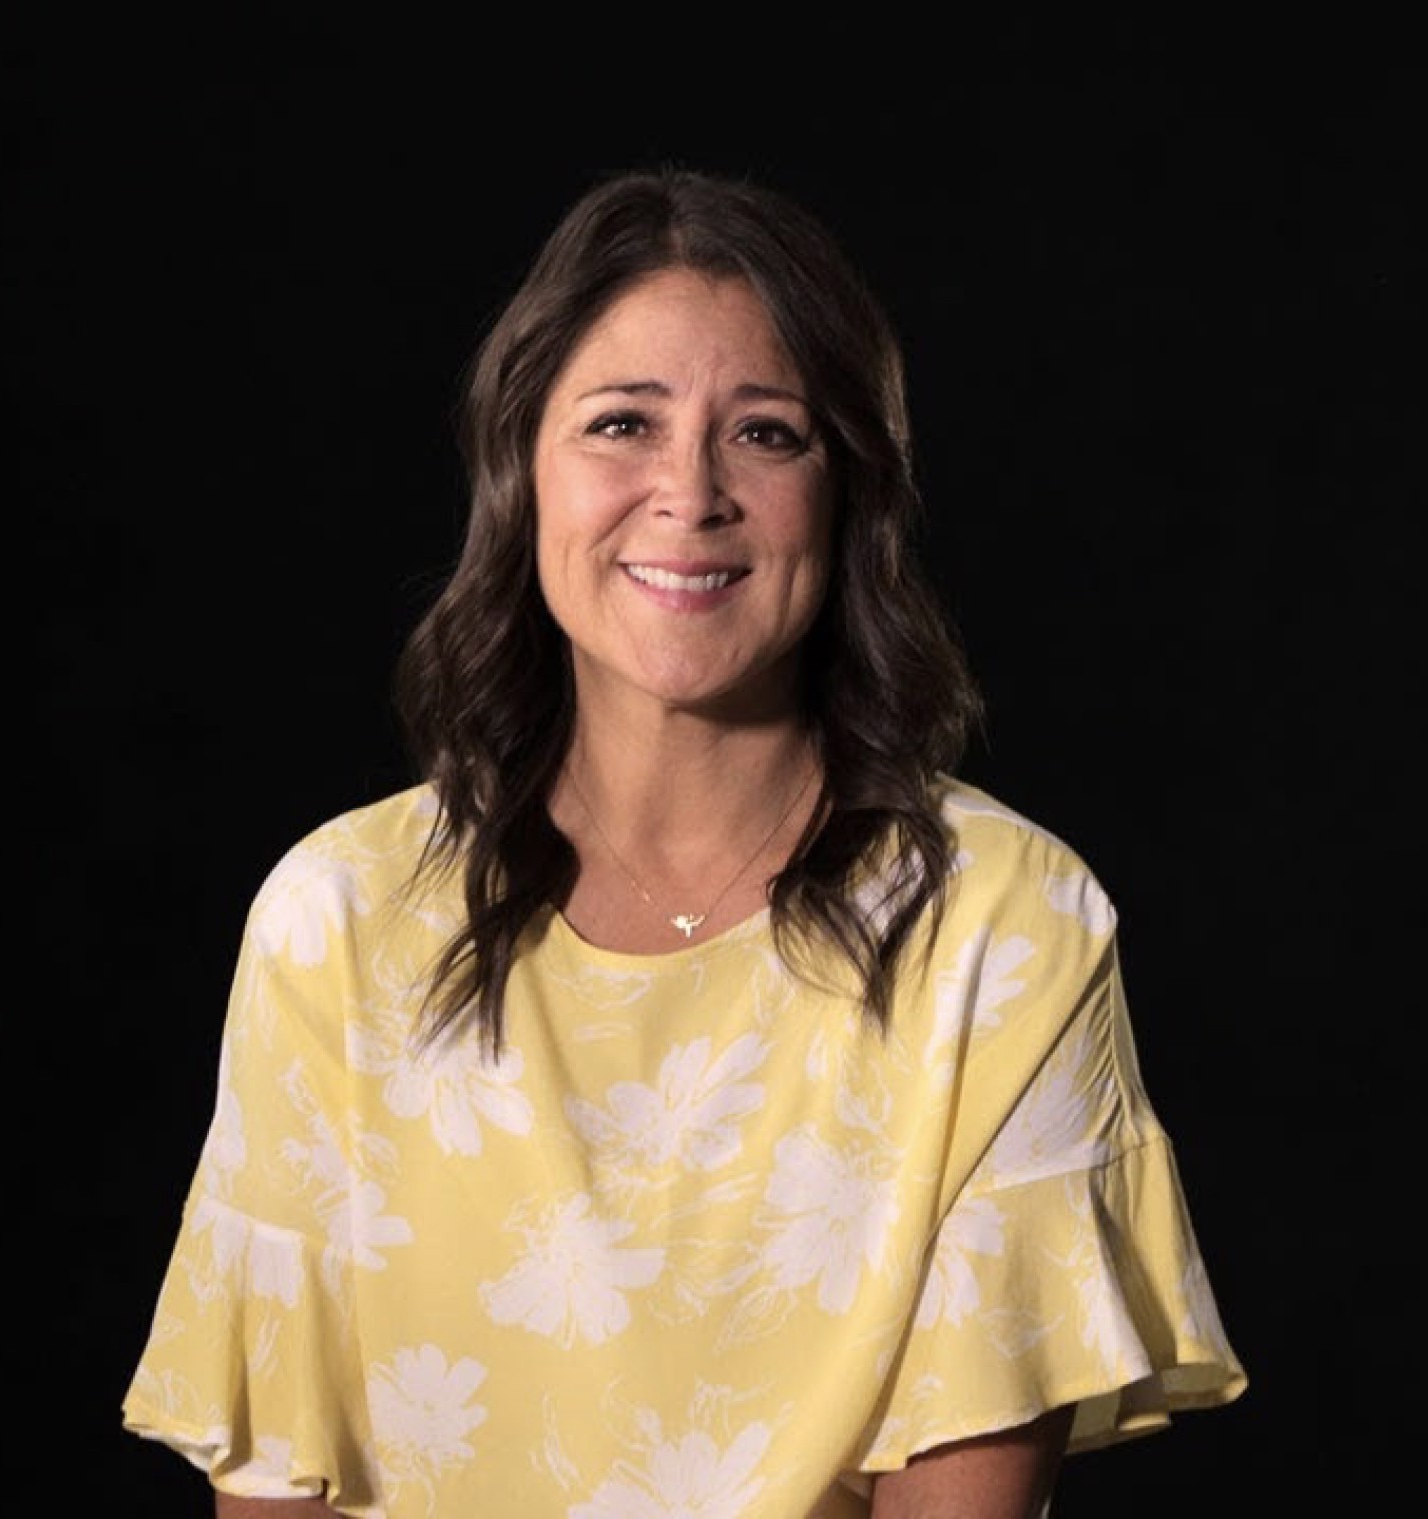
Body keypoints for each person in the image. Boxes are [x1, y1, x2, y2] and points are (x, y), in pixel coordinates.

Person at [119, 164, 1248, 1518]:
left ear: (847, 491)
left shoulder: (1002, 926)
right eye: (621, 424)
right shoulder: (339, 919)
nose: (688, 493)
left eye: (766, 434)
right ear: (521, 474)